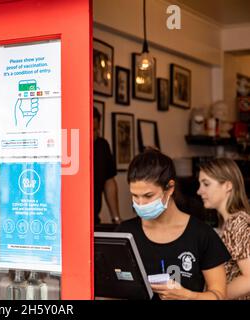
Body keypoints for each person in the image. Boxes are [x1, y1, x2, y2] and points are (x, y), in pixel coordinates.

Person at [116, 149, 230, 300]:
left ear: (170, 188)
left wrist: (188, 296)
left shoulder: (201, 234)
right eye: (135, 196)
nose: (140, 204)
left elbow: (219, 295)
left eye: (148, 196)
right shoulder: (125, 234)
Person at [197, 158, 250, 300]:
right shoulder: (229, 222)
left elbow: (249, 279)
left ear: (227, 185)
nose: (199, 191)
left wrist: (215, 296)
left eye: (206, 184)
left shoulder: (237, 223)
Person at [93, 107, 121, 225]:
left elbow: (109, 181)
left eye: (94, 130)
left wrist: (116, 219)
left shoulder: (102, 145)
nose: (91, 134)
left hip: (93, 220)